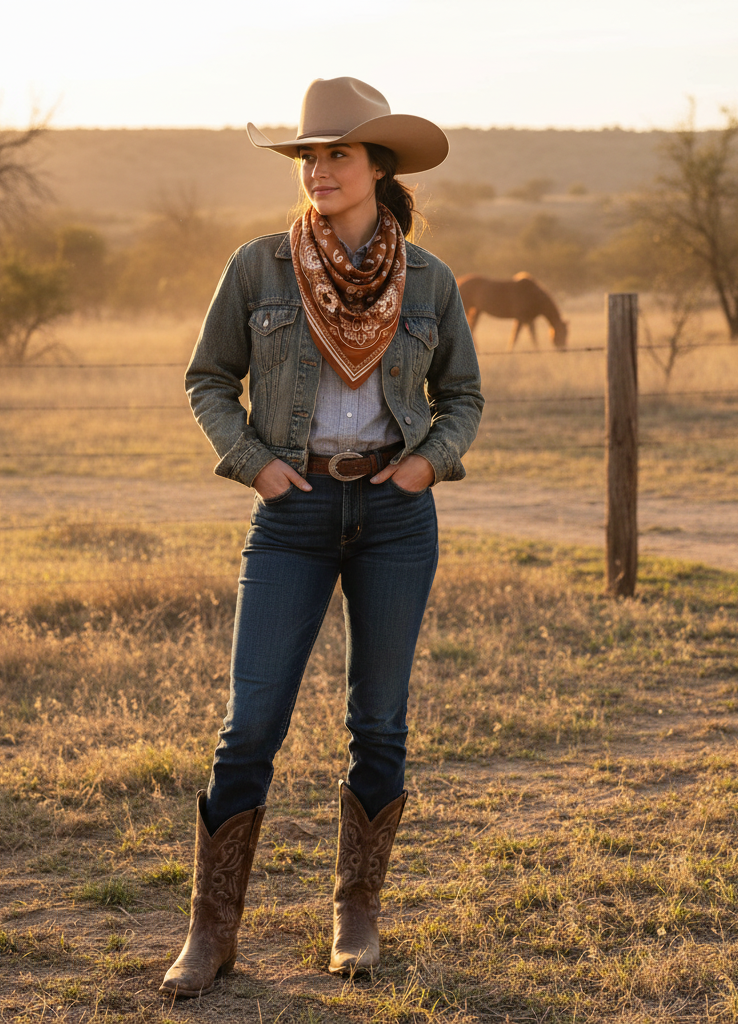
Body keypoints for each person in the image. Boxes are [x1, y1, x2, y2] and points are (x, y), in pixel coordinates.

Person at [160, 76, 483, 998]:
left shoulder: (430, 281)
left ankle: (357, 913)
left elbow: (461, 396)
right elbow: (207, 379)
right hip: (292, 513)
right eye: (309, 155)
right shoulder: (258, 267)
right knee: (248, 726)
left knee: (378, 722)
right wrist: (254, 462)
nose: (320, 171)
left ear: (379, 165)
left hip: (393, 516)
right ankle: (211, 932)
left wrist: (427, 463)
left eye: (338, 153)